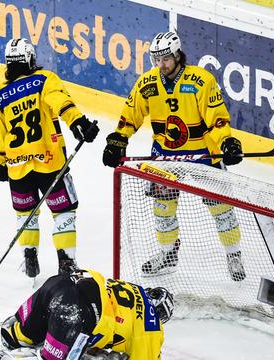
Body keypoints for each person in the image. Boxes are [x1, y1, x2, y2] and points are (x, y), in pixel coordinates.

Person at [102, 31, 246, 281]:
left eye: (166, 58)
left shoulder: (201, 80)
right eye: (156, 59)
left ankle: (233, 254)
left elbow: (217, 118)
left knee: (221, 207)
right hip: (165, 156)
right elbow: (130, 115)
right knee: (162, 208)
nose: (161, 64)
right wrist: (118, 139)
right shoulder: (147, 83)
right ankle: (168, 254)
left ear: (178, 54)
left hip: (203, 154)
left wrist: (227, 141)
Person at [0, 38, 100, 278]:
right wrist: (77, 121)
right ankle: (66, 262)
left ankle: (30, 255)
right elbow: (60, 101)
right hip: (50, 163)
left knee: (25, 213)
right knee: (64, 212)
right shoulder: (45, 79)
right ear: (29, 58)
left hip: (18, 168)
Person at [0, 269, 173, 360]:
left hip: (58, 285)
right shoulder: (152, 325)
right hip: (73, 313)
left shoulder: (130, 288)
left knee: (14, 334)